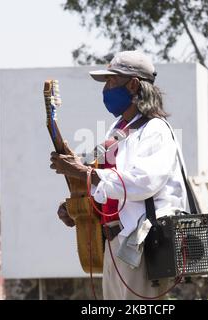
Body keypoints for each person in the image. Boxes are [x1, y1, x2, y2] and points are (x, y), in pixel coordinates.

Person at [50, 50, 187, 300]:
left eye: (111, 81)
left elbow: (143, 183)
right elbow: (106, 182)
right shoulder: (118, 129)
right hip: (115, 242)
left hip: (143, 243)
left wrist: (83, 172)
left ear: (133, 84)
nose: (106, 89)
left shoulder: (154, 129)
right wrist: (77, 206)